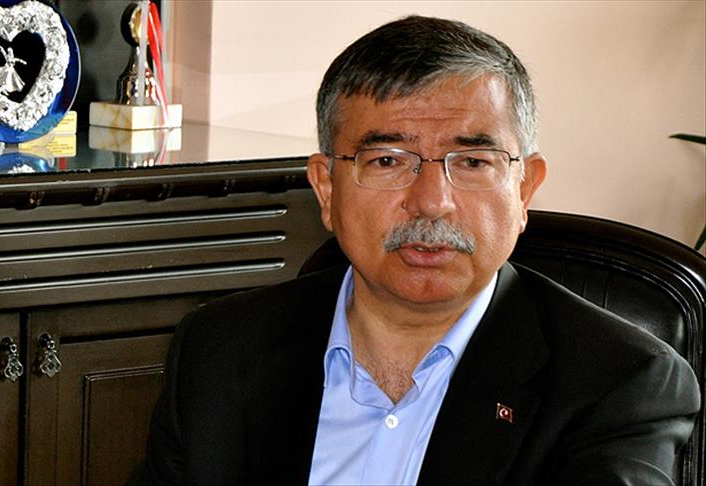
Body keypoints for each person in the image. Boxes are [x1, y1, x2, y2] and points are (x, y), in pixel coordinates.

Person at [128, 15, 700, 485]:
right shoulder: (220, 350)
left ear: (524, 189)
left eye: (472, 162)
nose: (432, 202)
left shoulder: (617, 385)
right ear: (326, 189)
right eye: (388, 161)